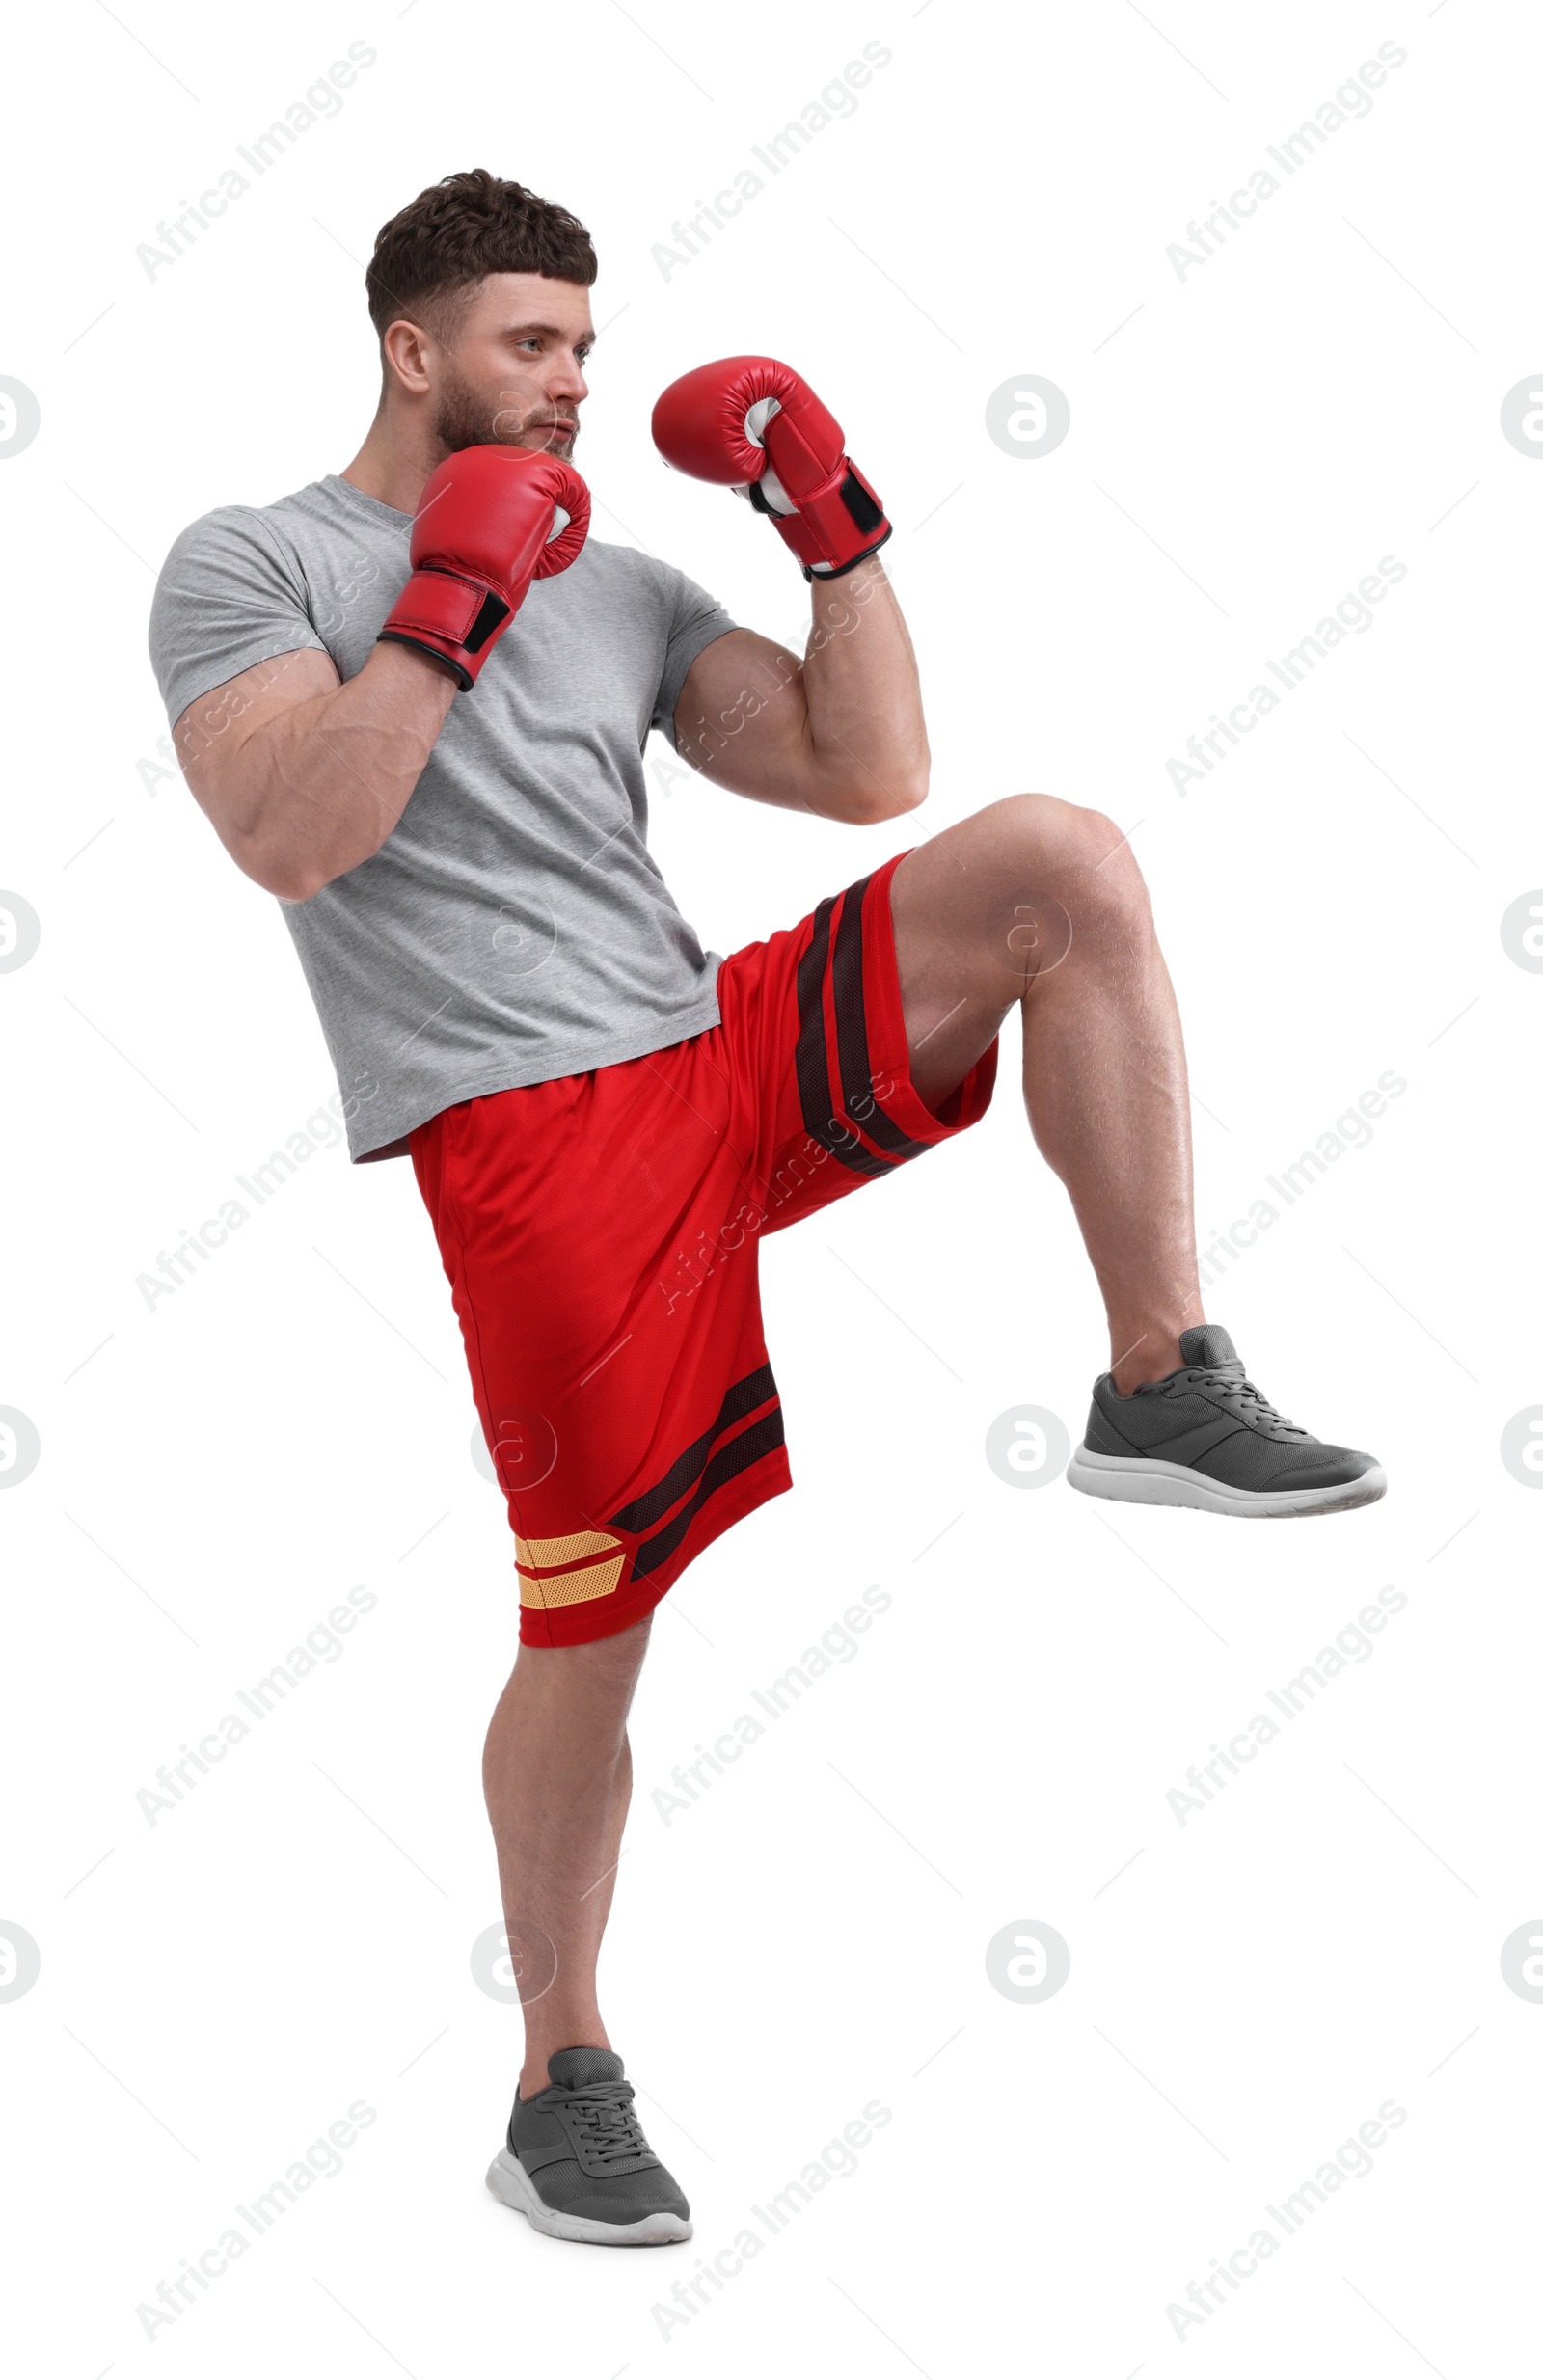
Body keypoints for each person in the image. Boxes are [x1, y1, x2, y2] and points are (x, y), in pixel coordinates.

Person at [148, 168, 1384, 2249]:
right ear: (411, 348)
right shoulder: (251, 560)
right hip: (525, 1131)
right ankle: (561, 2065)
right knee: (596, 1614)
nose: (570, 383)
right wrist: (448, 606)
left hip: (705, 1052)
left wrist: (831, 520)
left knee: (1056, 862)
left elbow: (864, 767)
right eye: (530, 343)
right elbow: (290, 832)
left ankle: (1157, 1376)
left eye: (585, 345)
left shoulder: (612, 577)